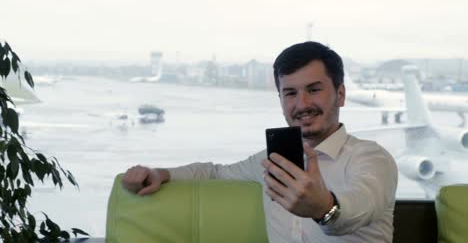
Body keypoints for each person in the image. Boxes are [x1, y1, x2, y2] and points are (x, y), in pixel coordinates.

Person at [122, 41, 398, 242]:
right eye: (290, 93)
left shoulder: (371, 159)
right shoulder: (269, 162)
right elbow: (214, 172)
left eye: (314, 90)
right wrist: (160, 173)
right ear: (280, 100)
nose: (302, 104)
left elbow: (360, 206)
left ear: (340, 95)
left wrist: (324, 208)